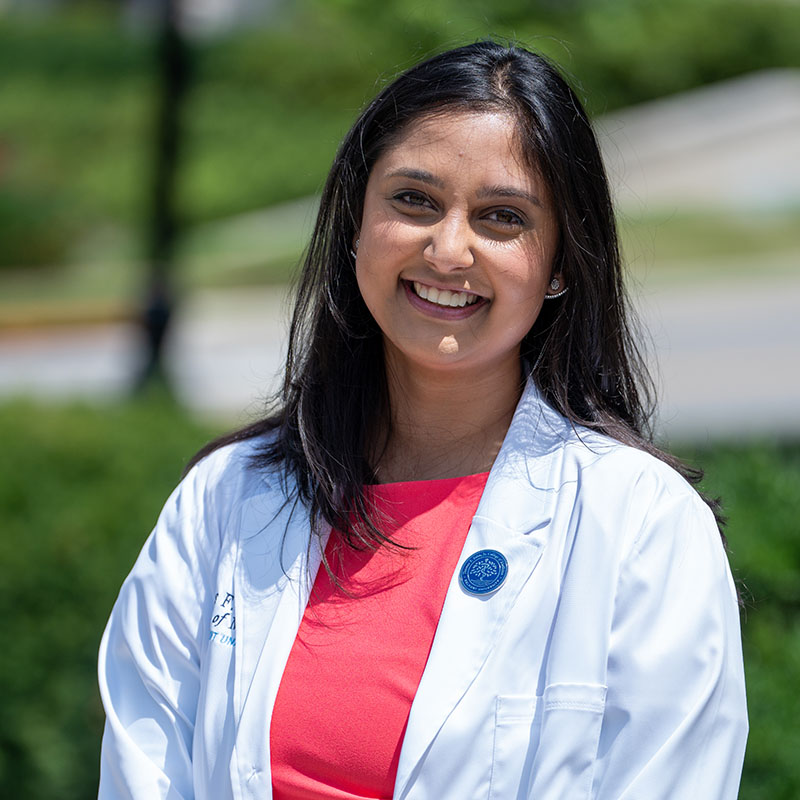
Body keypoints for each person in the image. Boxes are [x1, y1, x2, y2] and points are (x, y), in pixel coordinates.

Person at [97, 40, 748, 799]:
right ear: (356, 223)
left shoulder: (641, 525)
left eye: (503, 218)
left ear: (563, 262)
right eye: (414, 201)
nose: (448, 250)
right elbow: (144, 774)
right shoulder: (223, 501)